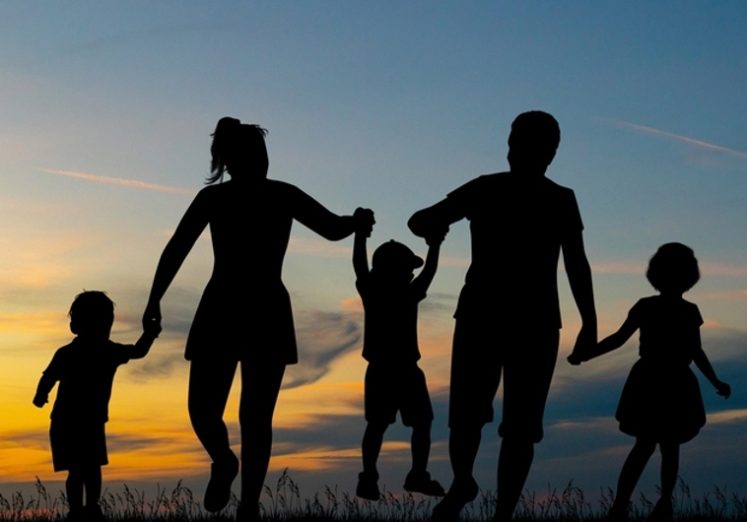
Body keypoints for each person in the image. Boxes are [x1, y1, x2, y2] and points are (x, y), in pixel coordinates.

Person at [142, 117, 374, 521]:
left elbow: (332, 228)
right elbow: (177, 246)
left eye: (263, 154)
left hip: (264, 310)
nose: (262, 160)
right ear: (233, 160)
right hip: (223, 308)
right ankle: (224, 461)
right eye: (255, 153)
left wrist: (356, 222)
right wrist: (154, 299)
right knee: (202, 410)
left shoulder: (282, 194)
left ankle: (249, 504)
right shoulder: (213, 198)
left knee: (256, 417)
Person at [407, 111, 597, 521]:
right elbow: (420, 220)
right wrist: (589, 323)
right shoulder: (498, 189)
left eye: (522, 144)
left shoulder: (532, 194)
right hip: (498, 317)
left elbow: (576, 262)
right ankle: (472, 490)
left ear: (548, 152)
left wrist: (590, 323)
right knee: (478, 419)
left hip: (515, 318)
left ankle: (494, 507)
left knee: (508, 424)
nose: (516, 152)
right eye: (514, 144)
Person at [569, 242, 731, 521]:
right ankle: (634, 505)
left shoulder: (663, 308)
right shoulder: (678, 310)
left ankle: (638, 505)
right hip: (664, 381)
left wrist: (587, 354)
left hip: (660, 381)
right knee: (662, 446)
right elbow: (693, 351)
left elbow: (693, 350)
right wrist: (587, 354)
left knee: (653, 446)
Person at [33, 291, 161, 521]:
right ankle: (83, 509)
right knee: (86, 468)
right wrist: (149, 334)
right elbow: (138, 351)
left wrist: (41, 395)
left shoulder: (82, 352)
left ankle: (85, 509)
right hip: (70, 422)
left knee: (83, 469)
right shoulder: (97, 352)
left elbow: (48, 377)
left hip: (76, 421)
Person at [352, 213, 447, 501]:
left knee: (382, 425)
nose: (411, 273)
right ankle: (410, 474)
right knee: (414, 423)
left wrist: (360, 235)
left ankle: (374, 476)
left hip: (386, 369)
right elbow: (428, 272)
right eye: (408, 268)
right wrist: (435, 245)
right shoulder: (404, 293)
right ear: (396, 269)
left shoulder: (376, 291)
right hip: (401, 370)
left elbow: (359, 266)